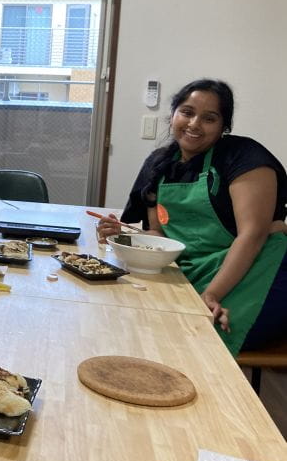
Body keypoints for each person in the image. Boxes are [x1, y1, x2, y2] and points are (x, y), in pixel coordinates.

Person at [100, 79, 287, 356]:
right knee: (137, 319)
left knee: (192, 337)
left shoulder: (245, 157)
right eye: (187, 112)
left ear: (224, 126)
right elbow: (159, 236)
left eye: (209, 118)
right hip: (195, 268)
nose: (194, 124)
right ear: (173, 114)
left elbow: (253, 235)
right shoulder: (159, 163)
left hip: (259, 272)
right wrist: (122, 236)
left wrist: (211, 295)